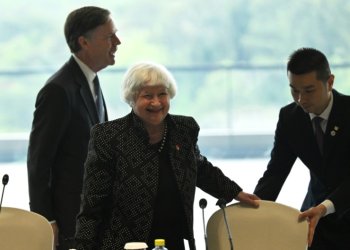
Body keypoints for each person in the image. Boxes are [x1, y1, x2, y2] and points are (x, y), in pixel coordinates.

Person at [74, 61, 260, 250]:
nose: (156, 102)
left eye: (162, 94)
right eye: (147, 95)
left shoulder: (184, 129)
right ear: (132, 98)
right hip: (126, 244)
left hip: (172, 240)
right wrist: (83, 246)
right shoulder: (109, 136)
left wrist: (235, 192)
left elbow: (200, 167)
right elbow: (93, 202)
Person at [27, 6, 121, 250]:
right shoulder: (58, 90)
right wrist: (45, 220)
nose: (118, 42)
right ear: (84, 42)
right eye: (110, 36)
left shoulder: (92, 80)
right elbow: (39, 162)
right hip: (69, 225)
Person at [254, 48, 350, 249]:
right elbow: (276, 172)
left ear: (330, 82)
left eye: (308, 90)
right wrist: (253, 211)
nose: (300, 99)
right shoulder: (290, 118)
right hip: (315, 218)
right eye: (294, 90)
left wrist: (326, 207)